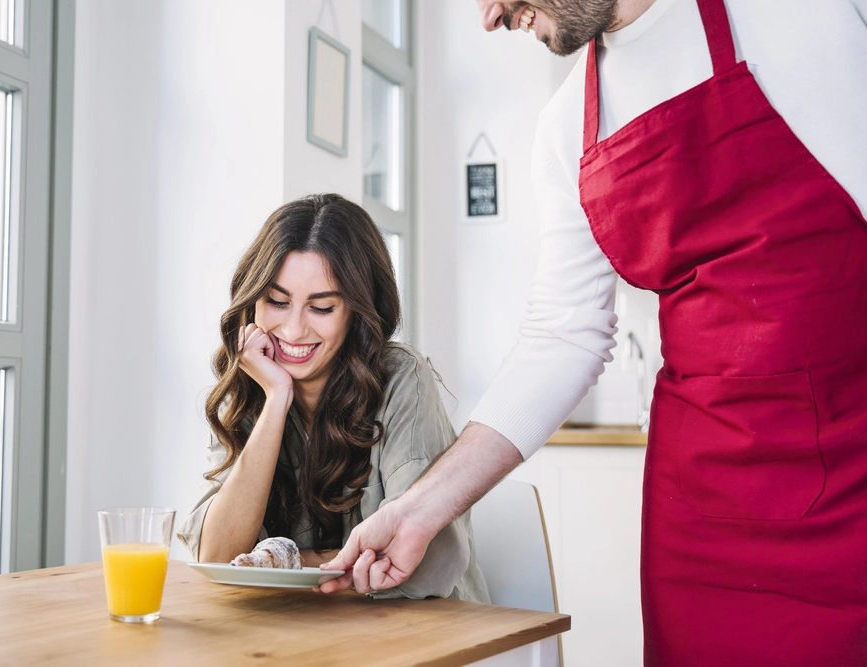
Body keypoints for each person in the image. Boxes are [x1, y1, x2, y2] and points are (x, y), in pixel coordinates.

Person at [321, 0, 867, 664]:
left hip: (852, 457)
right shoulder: (565, 131)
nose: (492, 15)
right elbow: (562, 335)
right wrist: (416, 510)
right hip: (701, 503)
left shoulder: (802, 18)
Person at [177, 193, 489, 603]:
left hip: (424, 633)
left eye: (321, 307)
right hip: (300, 635)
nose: (292, 330)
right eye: (276, 301)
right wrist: (276, 399)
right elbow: (218, 558)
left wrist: (287, 560)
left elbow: (420, 568)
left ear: (357, 312)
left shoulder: (401, 378)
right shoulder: (251, 386)